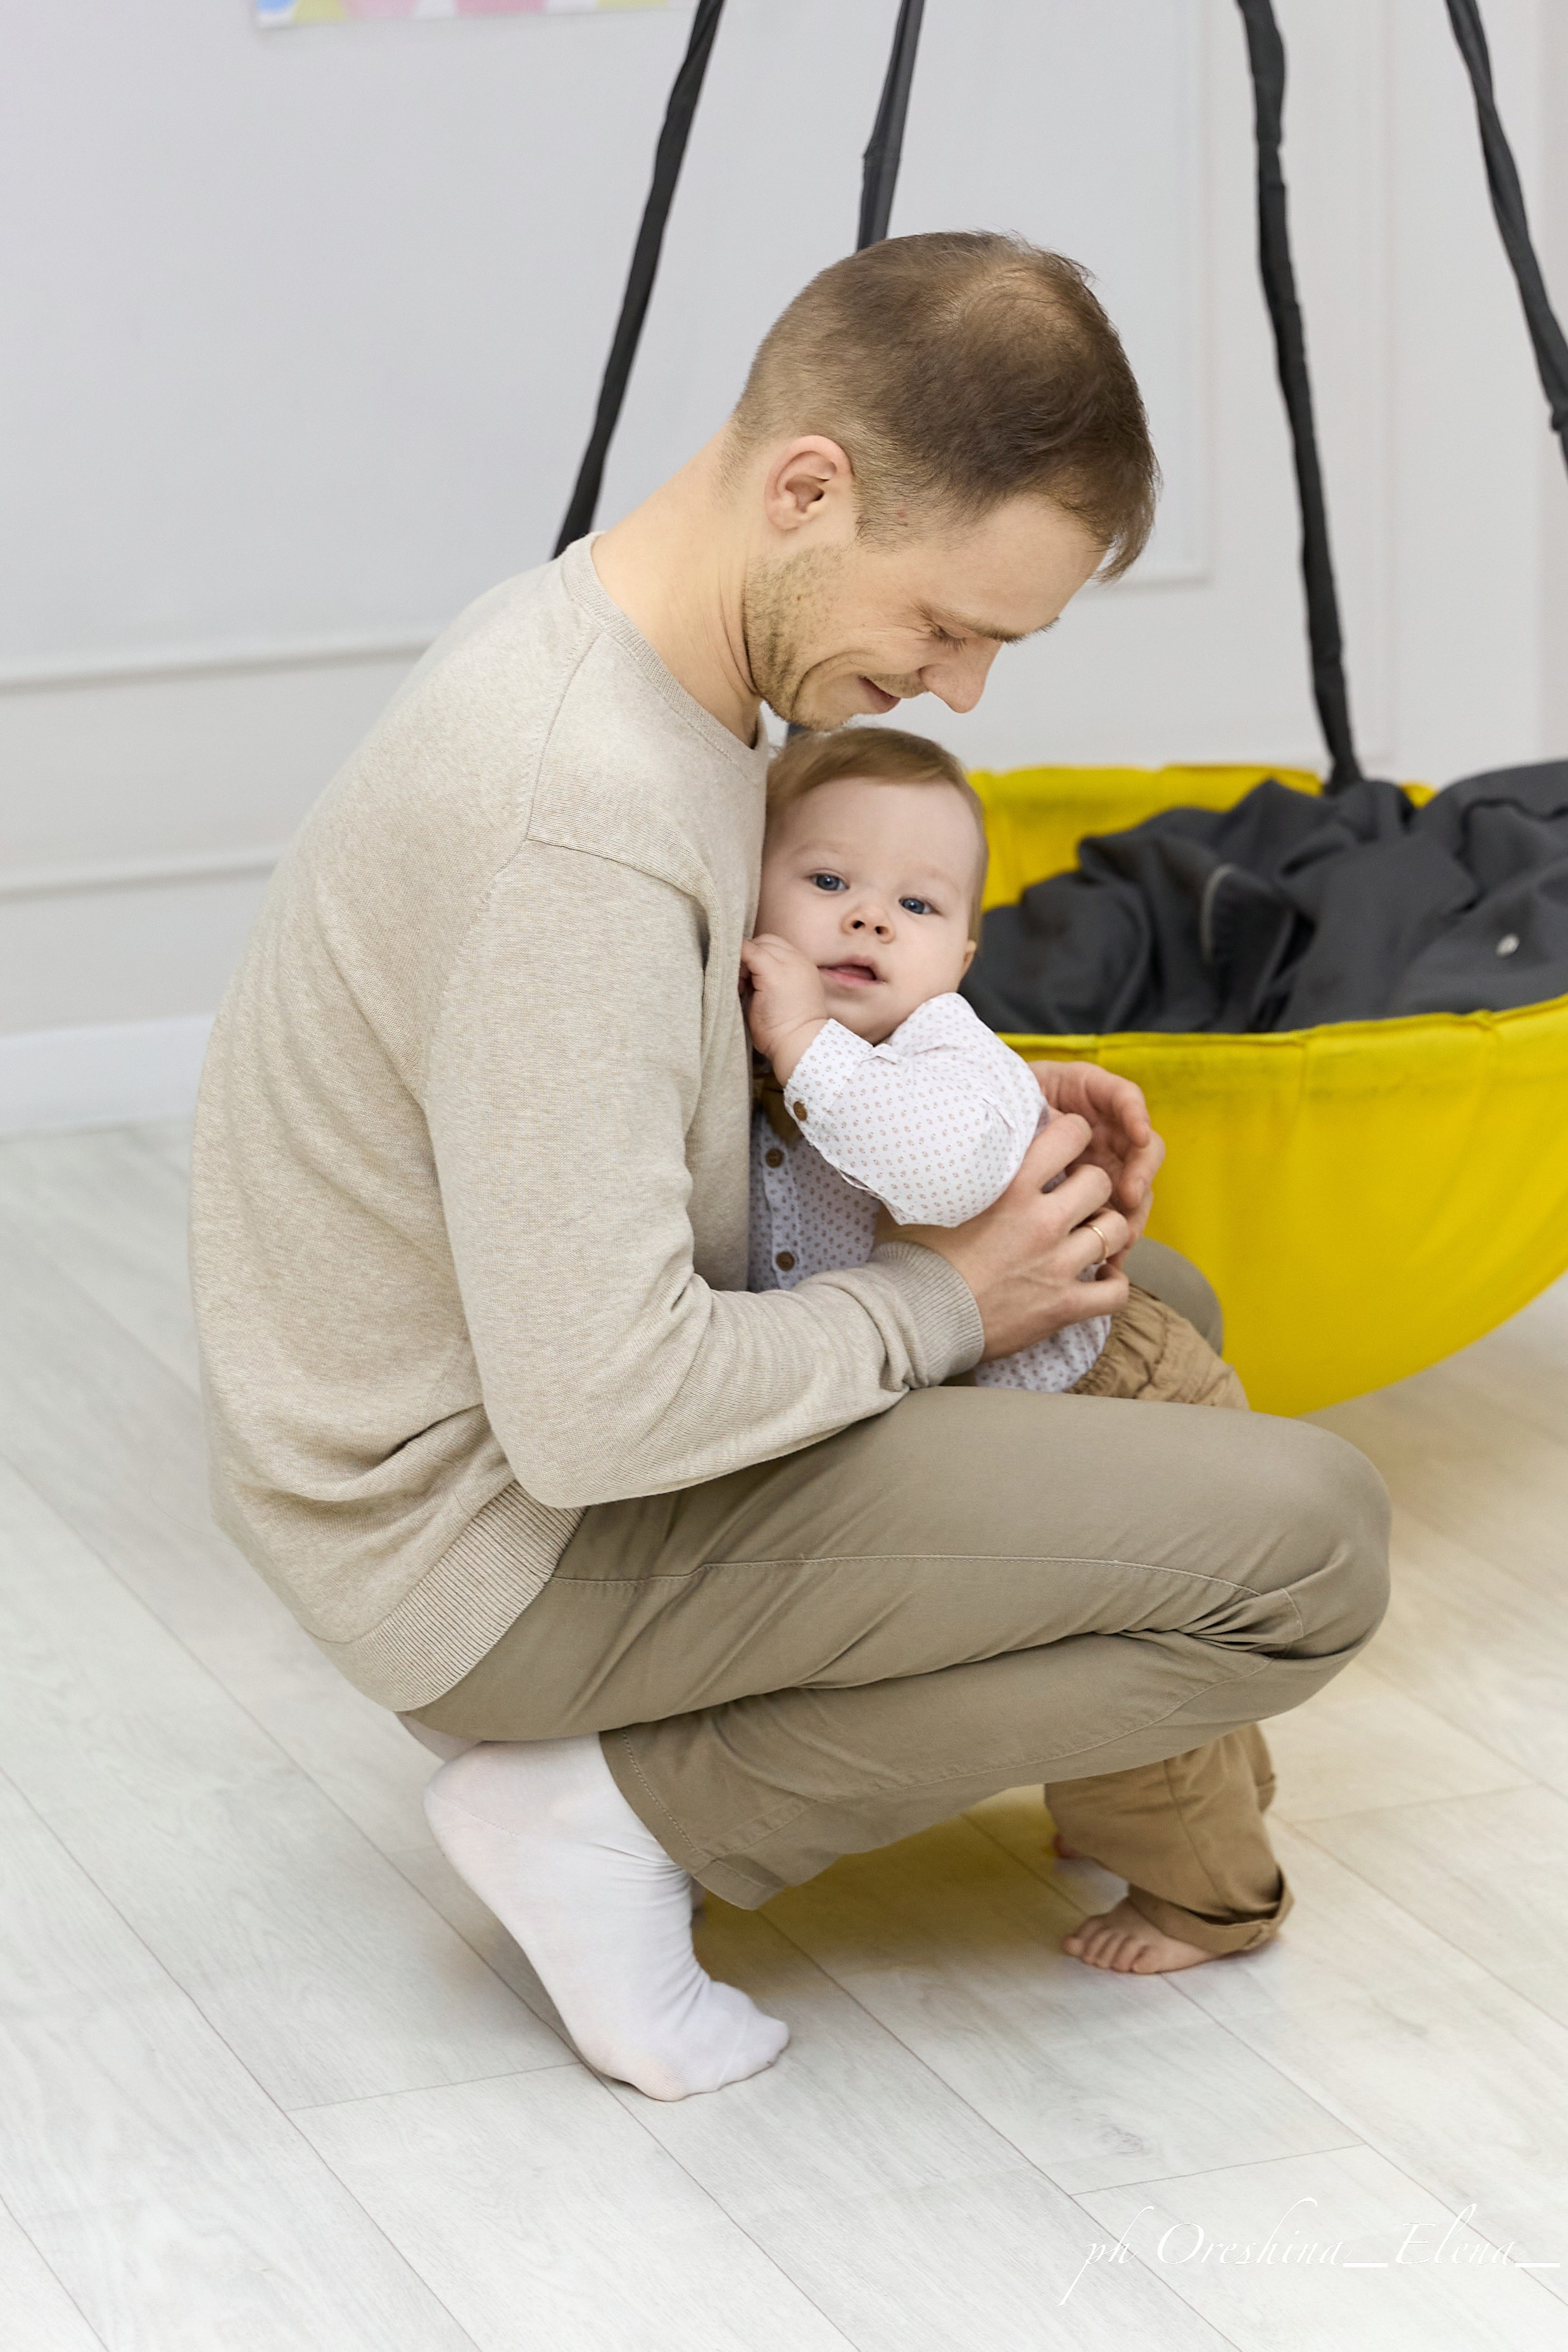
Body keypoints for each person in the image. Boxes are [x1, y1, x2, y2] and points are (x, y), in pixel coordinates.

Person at [190, 232, 1388, 2105]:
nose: (962, 690)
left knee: (1155, 1309)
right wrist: (937, 1298)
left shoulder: (636, 667)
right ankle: (609, 1810)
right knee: (1306, 1552)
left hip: (530, 1438)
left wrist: (949, 1080)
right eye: (951, 626)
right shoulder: (573, 816)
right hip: (497, 1547)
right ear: (808, 488)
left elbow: (645, 1075)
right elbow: (594, 1411)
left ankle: (1078, 1773)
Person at [743, 722, 1289, 1977]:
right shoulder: (789, 1053)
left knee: (1127, 1674)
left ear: (963, 952)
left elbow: (929, 1161)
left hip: (1108, 1389)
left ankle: (1211, 1901)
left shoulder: (947, 1056)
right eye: (827, 883)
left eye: (915, 904)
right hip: (1014, 1403)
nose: (868, 924)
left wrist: (801, 1042)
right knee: (1146, 1664)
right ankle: (1227, 1774)